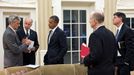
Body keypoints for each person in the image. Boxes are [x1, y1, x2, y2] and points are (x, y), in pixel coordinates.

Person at [83, 11, 117, 75]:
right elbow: (115, 53)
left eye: (90, 19)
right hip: (110, 71)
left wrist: (85, 60)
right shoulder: (111, 33)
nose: (89, 21)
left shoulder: (95, 35)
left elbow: (95, 56)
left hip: (98, 71)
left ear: (95, 21)